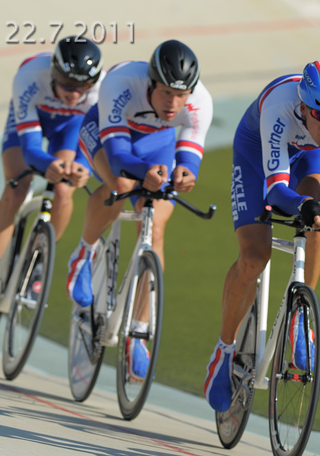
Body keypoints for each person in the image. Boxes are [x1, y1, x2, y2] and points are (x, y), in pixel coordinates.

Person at [204, 60, 320, 412]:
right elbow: (277, 192)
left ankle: (301, 312)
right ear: (302, 106)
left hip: (310, 157)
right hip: (256, 152)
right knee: (254, 256)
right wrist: (304, 203)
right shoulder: (280, 108)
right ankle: (224, 348)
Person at [66, 39, 213, 381]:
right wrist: (141, 173)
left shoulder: (199, 102)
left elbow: (190, 152)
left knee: (156, 226)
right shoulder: (120, 83)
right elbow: (117, 156)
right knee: (121, 185)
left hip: (156, 144)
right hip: (109, 136)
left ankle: (139, 331)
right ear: (150, 83)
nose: (174, 103)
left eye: (181, 95)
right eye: (165, 93)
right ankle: (83, 254)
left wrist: (185, 173)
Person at [0, 36, 103, 320]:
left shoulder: (102, 91)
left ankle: (39, 260)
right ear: (53, 72)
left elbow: (91, 143)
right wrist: (47, 163)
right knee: (16, 188)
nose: (75, 94)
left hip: (69, 126)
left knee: (64, 190)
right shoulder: (29, 76)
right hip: (30, 119)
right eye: (67, 84)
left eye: (83, 87)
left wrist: (79, 167)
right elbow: (29, 150)